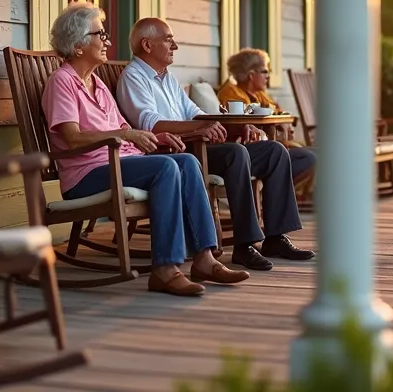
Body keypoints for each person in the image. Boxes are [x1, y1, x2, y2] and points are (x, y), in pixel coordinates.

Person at [41, 3, 249, 297]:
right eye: (100, 35)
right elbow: (72, 137)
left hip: (122, 163)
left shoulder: (98, 85)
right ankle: (165, 268)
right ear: (77, 45)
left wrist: (159, 138)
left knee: (187, 162)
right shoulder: (62, 82)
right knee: (165, 167)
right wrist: (127, 134)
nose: (108, 41)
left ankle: (204, 257)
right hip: (87, 174)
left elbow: (128, 131)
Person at [116, 17, 315, 272]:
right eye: (168, 40)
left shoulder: (166, 78)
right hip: (174, 151)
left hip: (198, 146)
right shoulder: (134, 78)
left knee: (275, 151)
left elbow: (195, 112)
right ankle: (245, 245)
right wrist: (201, 129)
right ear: (147, 45)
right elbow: (151, 124)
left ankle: (275, 238)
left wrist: (235, 128)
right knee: (235, 153)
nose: (174, 46)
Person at [217, 48, 317, 197]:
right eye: (264, 71)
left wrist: (284, 123)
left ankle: (277, 196)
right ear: (251, 74)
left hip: (274, 146)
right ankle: (272, 197)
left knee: (316, 153)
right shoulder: (232, 93)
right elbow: (243, 123)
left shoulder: (259, 93)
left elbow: (279, 111)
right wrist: (279, 126)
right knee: (308, 157)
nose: (268, 76)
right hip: (255, 151)